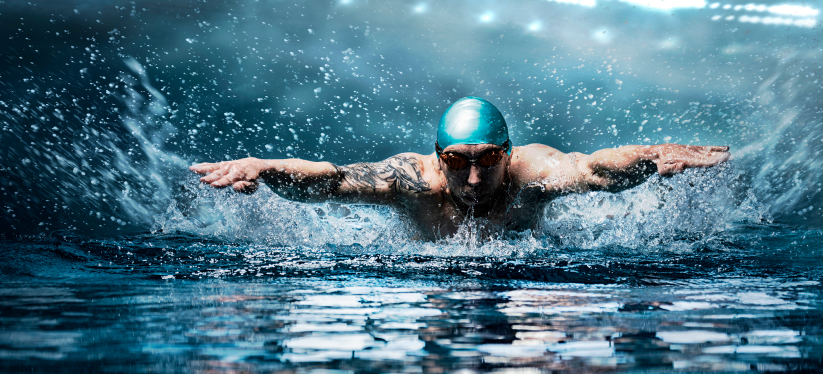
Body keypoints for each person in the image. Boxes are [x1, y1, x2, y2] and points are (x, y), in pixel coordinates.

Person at [190, 97, 730, 239]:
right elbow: (330, 181)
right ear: (437, 156)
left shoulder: (532, 172)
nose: (473, 179)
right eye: (457, 163)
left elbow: (595, 170)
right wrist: (264, 168)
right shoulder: (413, 180)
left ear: (509, 153)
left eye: (488, 161)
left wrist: (652, 155)